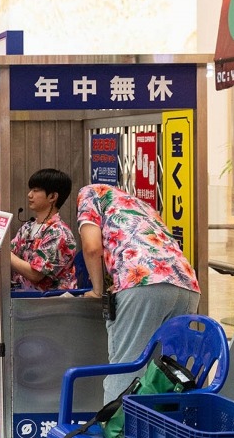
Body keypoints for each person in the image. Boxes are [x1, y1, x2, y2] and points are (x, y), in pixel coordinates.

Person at [75, 183, 200, 401]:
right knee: (170, 375)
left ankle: (118, 433)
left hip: (143, 280)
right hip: (187, 284)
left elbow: (92, 247)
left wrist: (97, 291)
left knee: (126, 371)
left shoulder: (90, 193)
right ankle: (165, 432)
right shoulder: (141, 205)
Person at [10, 169, 78, 292]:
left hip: (51, 304)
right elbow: (11, 251)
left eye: (36, 190)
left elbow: (35, 274)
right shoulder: (27, 227)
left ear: (52, 196)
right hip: (24, 300)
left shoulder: (59, 233)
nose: (29, 195)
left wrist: (2, 253)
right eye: (31, 190)